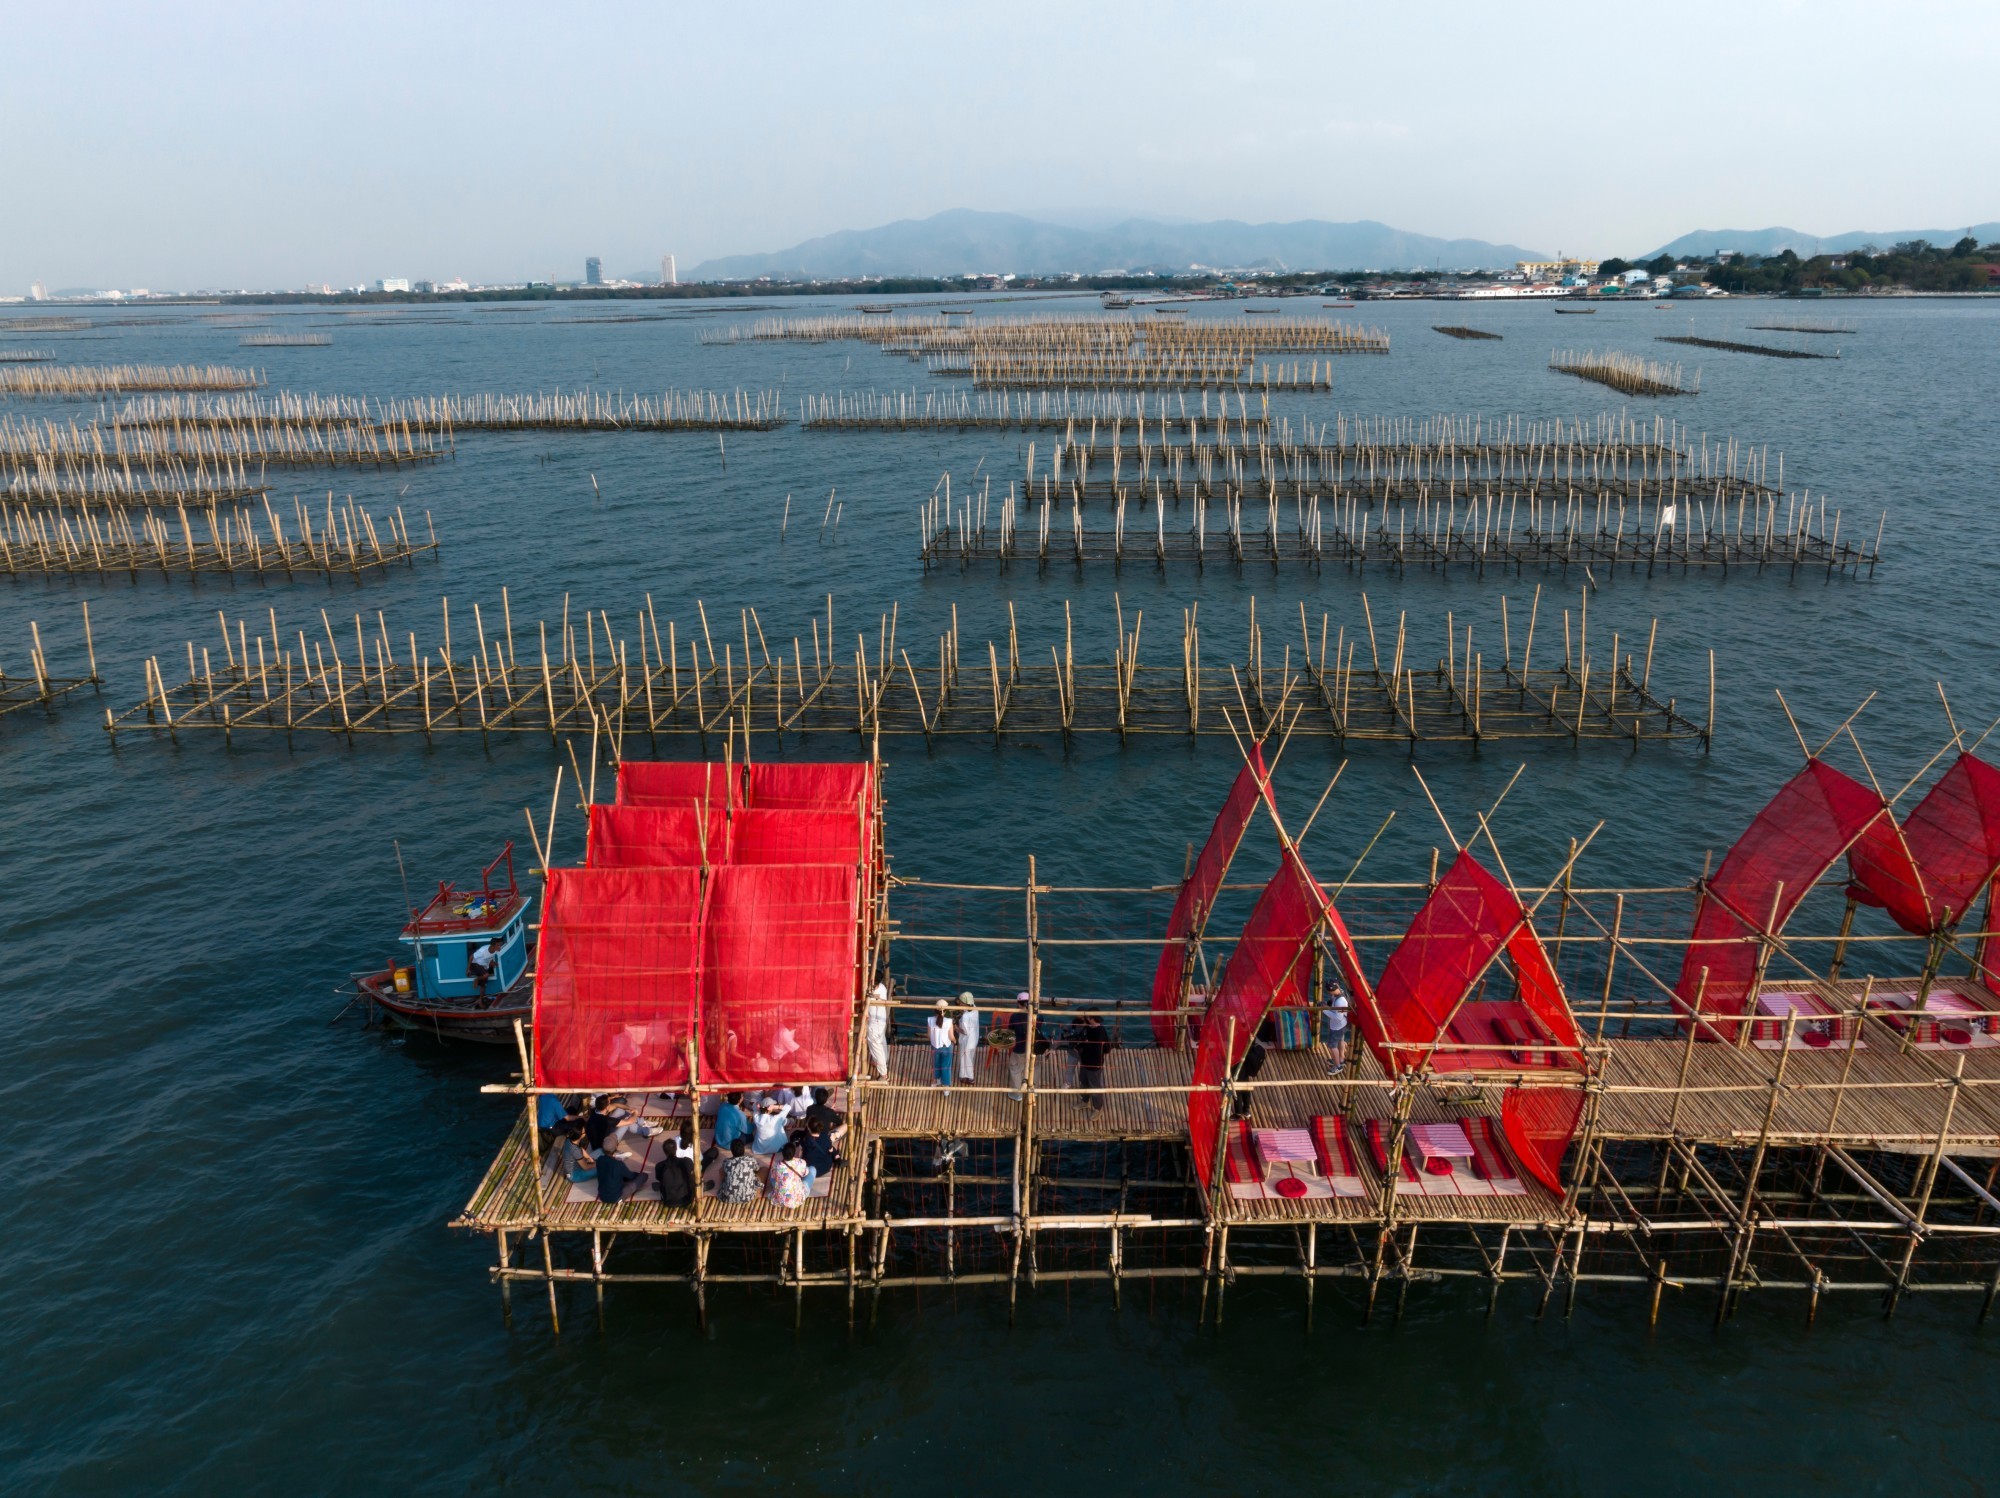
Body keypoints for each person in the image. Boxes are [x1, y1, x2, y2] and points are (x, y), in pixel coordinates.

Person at [1073, 1015, 1114, 1112]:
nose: (1087, 1019)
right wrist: (1079, 1046)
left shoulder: (1100, 1031)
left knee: (1094, 1086)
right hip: (1085, 1060)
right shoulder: (1087, 1028)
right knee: (1083, 1082)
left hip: (1095, 1063)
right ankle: (1085, 1101)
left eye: (1090, 1018)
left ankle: (1097, 1108)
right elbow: (1083, 1041)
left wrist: (1086, 1044)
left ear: (1094, 1019)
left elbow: (1101, 1048)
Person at [767, 1141, 815, 1209]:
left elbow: (773, 1176)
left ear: (782, 1154)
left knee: (772, 1174)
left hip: (780, 1199)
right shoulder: (800, 1162)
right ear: (794, 1153)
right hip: (797, 1199)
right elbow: (805, 1173)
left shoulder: (778, 1166)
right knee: (812, 1169)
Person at [1233, 1035, 1268, 1120]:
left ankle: (1238, 1113)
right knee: (1245, 1088)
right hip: (1246, 1067)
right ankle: (1246, 1110)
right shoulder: (1250, 1033)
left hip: (1239, 1065)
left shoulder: (1242, 1040)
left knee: (1237, 1090)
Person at [716, 1136, 760, 1204]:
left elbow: (723, 1170)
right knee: (764, 1170)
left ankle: (726, 1185)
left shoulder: (726, 1162)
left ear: (731, 1150)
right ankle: (754, 1191)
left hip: (727, 1197)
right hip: (748, 1197)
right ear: (744, 1149)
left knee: (721, 1170)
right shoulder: (751, 1160)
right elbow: (757, 1168)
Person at [927, 999, 956, 1094]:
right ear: (946, 1010)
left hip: (934, 1046)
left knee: (936, 1064)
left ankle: (936, 1081)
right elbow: (951, 1037)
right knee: (946, 1066)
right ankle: (946, 1086)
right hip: (946, 1047)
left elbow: (928, 1035)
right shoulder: (949, 1021)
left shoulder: (930, 1020)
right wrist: (955, 1041)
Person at [1323, 984, 1351, 1076]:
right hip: (1343, 1024)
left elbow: (1337, 1017)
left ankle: (1338, 1066)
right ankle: (1341, 1058)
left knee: (1332, 1046)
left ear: (1331, 991)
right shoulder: (1340, 992)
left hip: (1337, 1026)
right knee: (1341, 1040)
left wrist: (1324, 1009)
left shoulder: (1340, 1002)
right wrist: (1328, 1004)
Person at [866, 981, 891, 1079]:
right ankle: (884, 1060)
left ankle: (883, 1074)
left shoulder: (872, 993)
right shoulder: (883, 987)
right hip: (881, 1019)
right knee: (881, 1041)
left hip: (874, 1022)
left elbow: (872, 997)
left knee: (876, 1048)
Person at [956, 991, 981, 1084]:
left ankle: (969, 1077)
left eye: (961, 1002)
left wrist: (957, 1029)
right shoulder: (975, 1008)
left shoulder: (966, 1017)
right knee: (970, 1057)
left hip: (966, 1040)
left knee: (965, 1059)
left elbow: (965, 1031)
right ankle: (965, 1076)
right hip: (974, 1038)